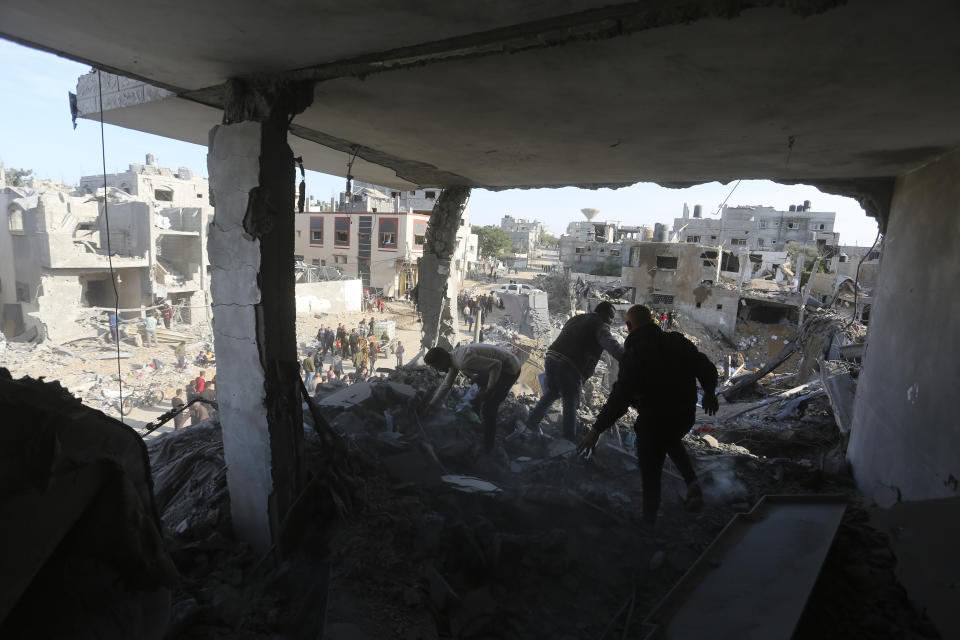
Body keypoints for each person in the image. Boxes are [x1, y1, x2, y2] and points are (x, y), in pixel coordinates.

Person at [577, 305, 719, 526]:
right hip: (684, 416)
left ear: (629, 327)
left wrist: (596, 429)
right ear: (653, 322)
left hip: (653, 419)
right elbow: (706, 367)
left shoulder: (634, 354)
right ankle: (691, 482)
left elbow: (620, 397)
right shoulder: (678, 342)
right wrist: (710, 393)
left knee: (650, 465)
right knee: (670, 439)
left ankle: (649, 520)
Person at [525, 301, 624, 442]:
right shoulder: (600, 325)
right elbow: (612, 345)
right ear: (603, 314)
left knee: (552, 392)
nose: (612, 321)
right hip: (569, 365)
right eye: (611, 317)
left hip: (551, 358)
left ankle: (531, 423)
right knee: (570, 402)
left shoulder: (576, 318)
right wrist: (628, 358)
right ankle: (568, 441)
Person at [421, 344, 522, 452]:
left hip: (509, 369)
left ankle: (488, 446)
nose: (437, 370)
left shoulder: (463, 362)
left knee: (489, 409)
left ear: (442, 360)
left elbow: (497, 365)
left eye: (436, 366)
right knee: (476, 383)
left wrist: (488, 390)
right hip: (497, 364)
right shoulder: (452, 359)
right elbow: (446, 385)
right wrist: (430, 405)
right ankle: (476, 420)